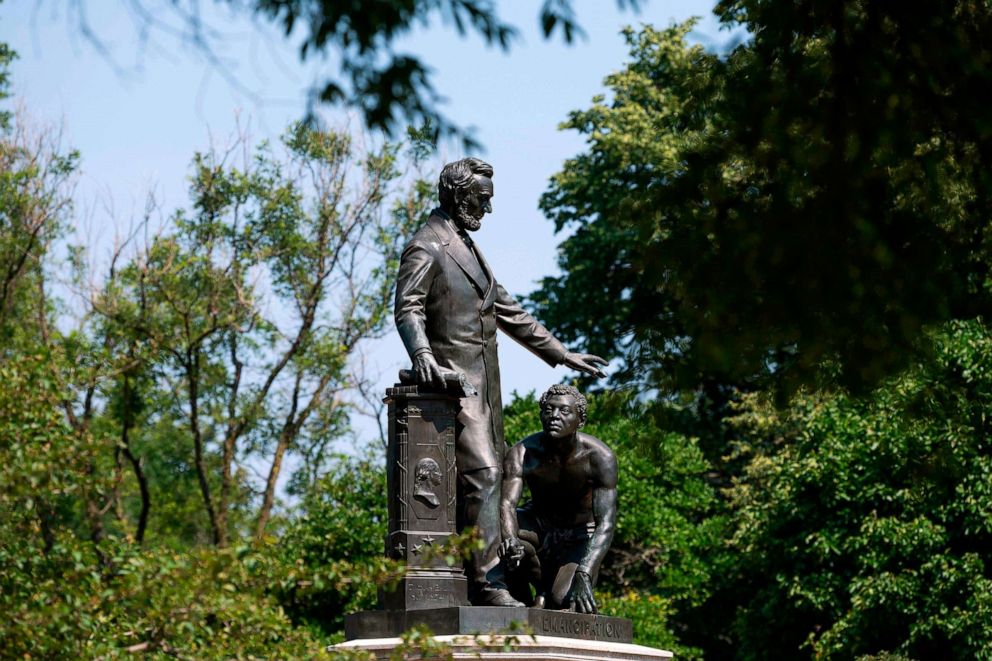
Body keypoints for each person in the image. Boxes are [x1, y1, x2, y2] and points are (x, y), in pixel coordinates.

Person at [394, 158, 607, 606]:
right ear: (457, 194)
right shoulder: (427, 246)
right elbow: (408, 307)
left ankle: (482, 576)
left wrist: (560, 353)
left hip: (486, 391)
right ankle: (489, 583)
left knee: (481, 482)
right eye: (481, 199)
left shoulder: (466, 246)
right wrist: (424, 356)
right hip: (454, 388)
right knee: (488, 476)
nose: (487, 210)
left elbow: (508, 310)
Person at [498, 384, 618, 613]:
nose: (554, 416)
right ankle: (525, 592)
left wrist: (585, 571)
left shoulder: (600, 457)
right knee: (500, 533)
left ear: (580, 421)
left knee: (563, 600)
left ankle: (547, 591)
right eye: (548, 410)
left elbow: (606, 523)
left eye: (564, 411)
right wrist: (510, 540)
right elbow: (507, 504)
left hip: (579, 535)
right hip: (540, 528)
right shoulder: (523, 452)